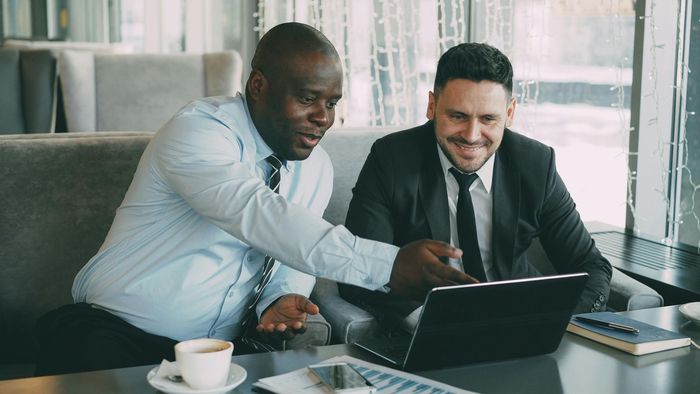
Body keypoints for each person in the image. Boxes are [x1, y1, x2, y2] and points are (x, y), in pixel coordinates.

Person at [35, 22, 472, 376]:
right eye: (307, 99)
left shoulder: (315, 167)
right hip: (114, 332)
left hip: (222, 354)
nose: (323, 118)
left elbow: (289, 252)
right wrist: (387, 265)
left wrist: (277, 298)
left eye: (332, 102)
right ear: (258, 86)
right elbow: (257, 214)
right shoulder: (198, 132)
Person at [338, 42, 613, 333]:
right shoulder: (391, 159)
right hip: (429, 330)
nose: (471, 136)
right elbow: (359, 270)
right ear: (432, 106)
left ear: (510, 113)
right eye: (457, 116)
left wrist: (555, 326)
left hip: (520, 329)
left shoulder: (536, 164)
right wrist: (426, 324)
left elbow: (591, 266)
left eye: (488, 119)